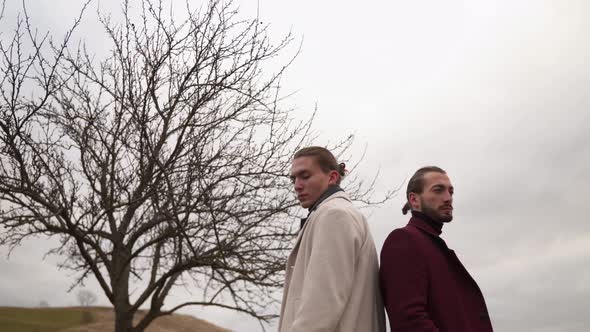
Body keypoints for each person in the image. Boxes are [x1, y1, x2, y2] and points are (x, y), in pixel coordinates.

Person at [278, 146, 385, 332]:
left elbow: (322, 304)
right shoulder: (331, 214)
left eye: (305, 176)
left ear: (332, 177)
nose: (297, 185)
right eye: (293, 179)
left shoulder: (335, 215)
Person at [379, 166, 493, 332]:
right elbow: (410, 321)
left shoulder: (433, 245)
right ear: (414, 200)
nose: (448, 198)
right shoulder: (404, 241)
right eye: (438, 190)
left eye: (451, 192)